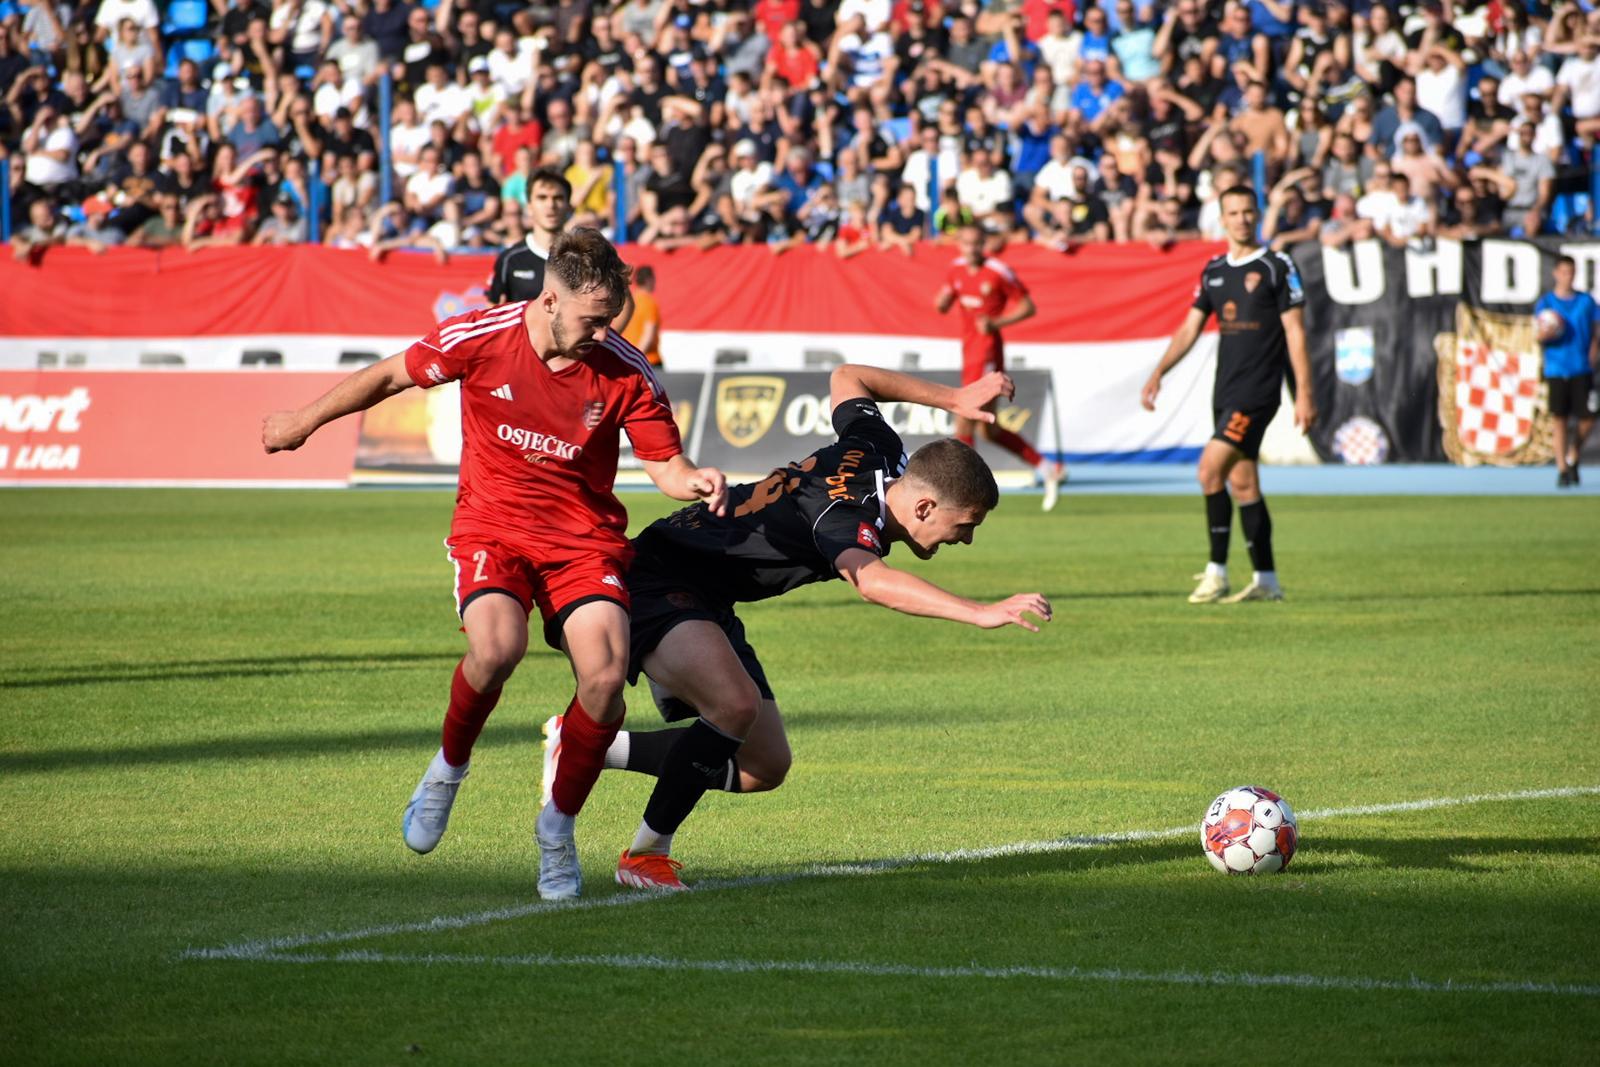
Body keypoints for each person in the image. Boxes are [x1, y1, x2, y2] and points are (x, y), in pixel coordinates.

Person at [259, 228, 728, 900]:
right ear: (551, 299)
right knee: (496, 648)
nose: (604, 331)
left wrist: (694, 480)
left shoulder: (626, 369)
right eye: (593, 318)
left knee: (604, 681)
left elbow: (664, 463)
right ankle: (447, 772)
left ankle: (557, 829)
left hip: (581, 543)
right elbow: (392, 372)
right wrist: (304, 421)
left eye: (611, 318)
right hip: (493, 529)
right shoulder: (480, 335)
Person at [543, 363, 1052, 890]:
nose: (964, 540)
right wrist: (980, 611)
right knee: (733, 706)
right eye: (964, 526)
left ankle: (585, 747)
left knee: (763, 765)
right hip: (659, 575)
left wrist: (954, 398)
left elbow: (848, 377)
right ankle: (645, 856)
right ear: (925, 505)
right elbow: (872, 582)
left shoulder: (881, 449)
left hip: (707, 592)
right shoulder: (842, 515)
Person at [1140, 186, 1316, 604]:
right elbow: (1189, 327)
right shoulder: (1214, 269)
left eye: (1247, 212)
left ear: (1256, 215)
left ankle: (1216, 572)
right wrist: (1159, 371)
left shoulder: (1277, 265)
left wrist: (1305, 393)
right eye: (1233, 212)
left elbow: (1296, 332)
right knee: (1243, 483)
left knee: (1208, 471)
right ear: (1222, 218)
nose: (1241, 219)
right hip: (1225, 391)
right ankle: (1267, 581)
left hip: (1258, 392)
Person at [935, 224, 1066, 510]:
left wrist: (997, 323)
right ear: (959, 245)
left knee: (963, 418)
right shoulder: (955, 269)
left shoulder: (998, 272)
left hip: (987, 355)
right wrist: (943, 301)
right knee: (988, 431)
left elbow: (1028, 306)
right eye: (966, 244)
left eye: (975, 244)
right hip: (969, 351)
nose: (971, 249)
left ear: (984, 244)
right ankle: (1046, 467)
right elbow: (941, 302)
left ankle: (964, 489)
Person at [1534, 255, 1599, 487]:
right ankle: (1563, 468)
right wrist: (1545, 334)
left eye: (1571, 271)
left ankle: (1574, 450)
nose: (1568, 276)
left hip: (1581, 367)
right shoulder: (1547, 303)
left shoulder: (1586, 302)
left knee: (1588, 417)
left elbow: (1595, 331)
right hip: (1556, 368)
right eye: (1564, 271)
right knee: (1559, 419)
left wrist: (1594, 352)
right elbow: (1538, 334)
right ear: (1556, 273)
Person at [619, 264, 662, 367]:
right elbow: (648, 336)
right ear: (649, 280)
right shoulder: (649, 303)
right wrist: (636, 358)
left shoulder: (628, 301)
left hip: (626, 356)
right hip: (648, 359)